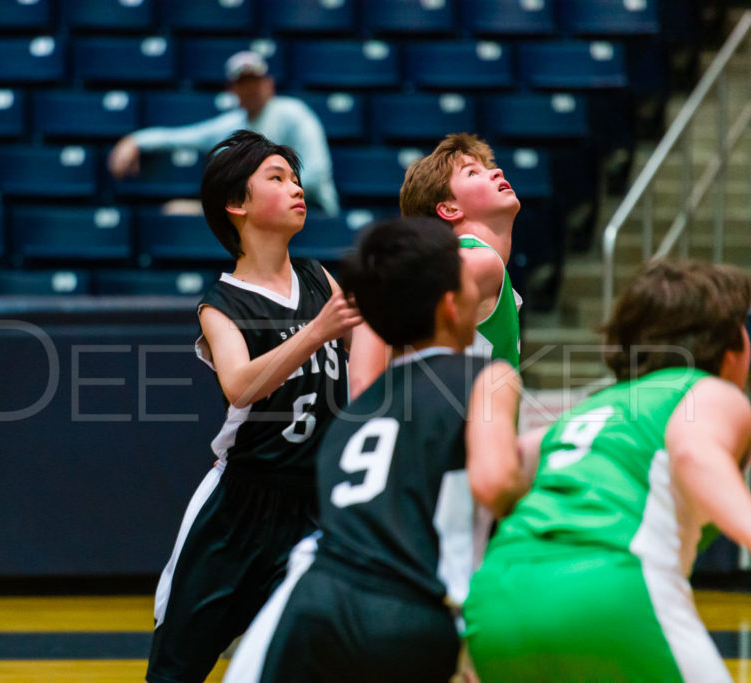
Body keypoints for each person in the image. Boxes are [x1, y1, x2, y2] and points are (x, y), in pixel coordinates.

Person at [223, 216, 525, 683]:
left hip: (312, 600)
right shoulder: (486, 378)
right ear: (451, 307)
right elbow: (495, 481)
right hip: (406, 610)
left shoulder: (355, 415)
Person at [464, 260, 751, 682]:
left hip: (497, 603)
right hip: (610, 589)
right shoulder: (706, 391)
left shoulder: (585, 413)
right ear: (730, 346)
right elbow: (695, 456)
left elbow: (502, 472)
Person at [146, 130, 361, 683]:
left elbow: (362, 374)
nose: (297, 188)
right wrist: (316, 333)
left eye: (295, 177)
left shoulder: (319, 277)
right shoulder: (221, 304)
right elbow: (240, 385)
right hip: (238, 507)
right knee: (177, 667)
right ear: (237, 205)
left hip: (314, 505)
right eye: (277, 177)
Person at [349, 132, 521, 399]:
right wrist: (362, 402)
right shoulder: (480, 260)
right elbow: (375, 306)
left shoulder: (482, 265)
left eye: (488, 167)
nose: (496, 172)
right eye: (472, 173)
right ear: (449, 209)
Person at [108, 50, 340, 216]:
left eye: (254, 80)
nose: (249, 88)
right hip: (259, 217)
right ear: (233, 90)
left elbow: (316, 175)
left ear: (268, 84)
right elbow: (181, 135)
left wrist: (257, 199)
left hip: (311, 211)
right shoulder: (232, 124)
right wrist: (134, 141)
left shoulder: (294, 113)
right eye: (242, 82)